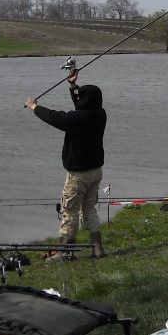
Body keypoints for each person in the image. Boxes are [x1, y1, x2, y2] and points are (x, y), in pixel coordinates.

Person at [25, 69, 107, 260]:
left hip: (78, 175)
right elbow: (81, 105)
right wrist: (72, 86)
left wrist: (34, 107)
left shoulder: (76, 119)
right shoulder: (100, 113)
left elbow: (54, 117)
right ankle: (98, 249)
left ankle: (65, 253)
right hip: (96, 171)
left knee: (69, 211)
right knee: (89, 210)